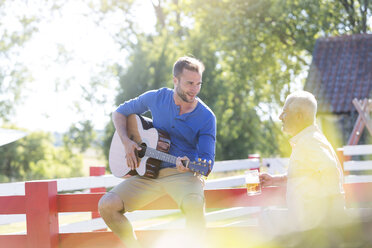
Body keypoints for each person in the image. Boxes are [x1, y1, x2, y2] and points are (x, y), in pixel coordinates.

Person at [98, 56, 216, 247]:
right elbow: (119, 112)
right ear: (175, 80)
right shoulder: (156, 97)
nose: (194, 89)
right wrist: (127, 142)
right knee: (106, 205)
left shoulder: (207, 117)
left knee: (195, 205)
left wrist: (190, 163)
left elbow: (207, 162)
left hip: (182, 175)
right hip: (147, 175)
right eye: (189, 83)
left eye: (198, 84)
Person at [259, 90, 345, 235]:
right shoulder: (308, 140)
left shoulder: (310, 142)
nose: (280, 117)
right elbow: (302, 176)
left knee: (266, 218)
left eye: (285, 112)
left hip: (316, 229)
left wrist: (328, 223)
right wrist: (274, 179)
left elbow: (331, 171)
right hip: (309, 227)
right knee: (267, 217)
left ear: (299, 116)